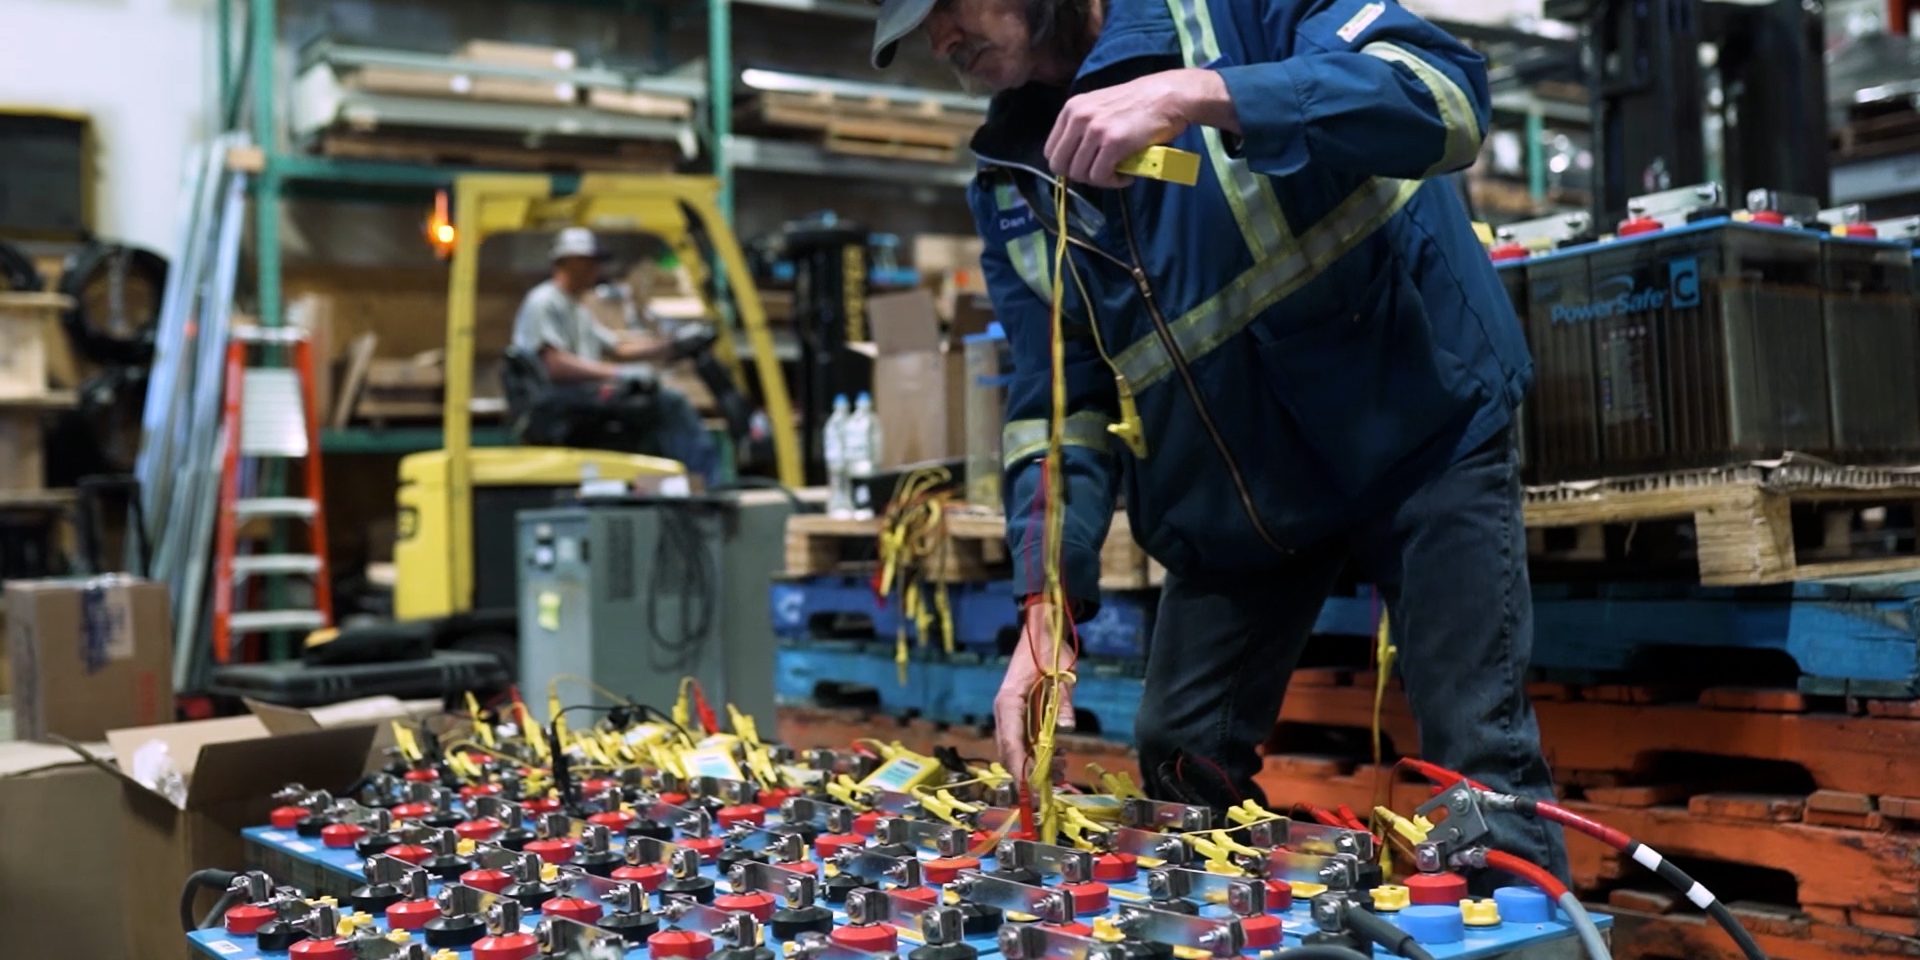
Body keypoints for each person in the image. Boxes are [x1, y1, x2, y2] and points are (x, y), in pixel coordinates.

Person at [870, 0, 1566, 878]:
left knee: (1478, 777)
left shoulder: (1231, 13)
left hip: (1420, 427)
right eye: (913, 31)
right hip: (1243, 491)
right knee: (1181, 761)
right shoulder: (1016, 183)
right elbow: (1059, 405)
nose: (940, 41)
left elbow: (1447, 99)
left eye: (945, 5)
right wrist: (1046, 609)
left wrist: (1201, 94)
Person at [510, 227, 719, 481]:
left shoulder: (576, 307)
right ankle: (704, 483)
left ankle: (662, 485)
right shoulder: (545, 301)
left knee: (648, 399)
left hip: (577, 396)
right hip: (559, 401)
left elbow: (617, 349)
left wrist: (672, 345)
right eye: (591, 263)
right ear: (572, 262)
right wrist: (619, 374)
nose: (597, 270)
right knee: (669, 403)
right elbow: (555, 364)